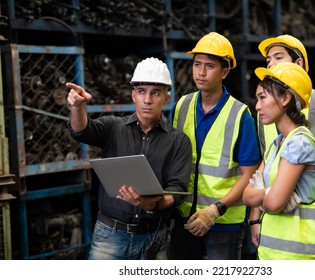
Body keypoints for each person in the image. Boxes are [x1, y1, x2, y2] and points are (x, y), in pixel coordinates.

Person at [66, 57, 192, 260]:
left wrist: (152, 205)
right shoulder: (113, 128)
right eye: (141, 92)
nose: (148, 100)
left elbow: (177, 191)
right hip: (110, 236)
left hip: (153, 238)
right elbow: (81, 131)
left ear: (167, 98)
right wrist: (77, 107)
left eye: (156, 93)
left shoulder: (178, 141)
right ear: (133, 96)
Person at [249, 34, 315, 257]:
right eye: (268, 60)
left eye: (278, 57)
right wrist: (254, 218)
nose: (271, 64)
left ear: (298, 64)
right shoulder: (264, 113)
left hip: (314, 219)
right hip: (275, 223)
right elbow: (264, 168)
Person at [168, 32, 261, 260]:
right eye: (197, 64)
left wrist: (215, 209)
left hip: (223, 223)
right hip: (185, 218)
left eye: (209, 66)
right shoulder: (182, 106)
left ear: (225, 71)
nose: (201, 72)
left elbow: (250, 174)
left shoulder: (240, 115)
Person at [243, 62, 315, 259]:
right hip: (272, 255)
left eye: (262, 97)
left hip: (299, 259)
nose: (257, 106)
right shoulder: (277, 144)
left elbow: (274, 203)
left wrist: (267, 193)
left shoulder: (299, 144)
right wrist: (270, 193)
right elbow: (247, 196)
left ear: (285, 98)